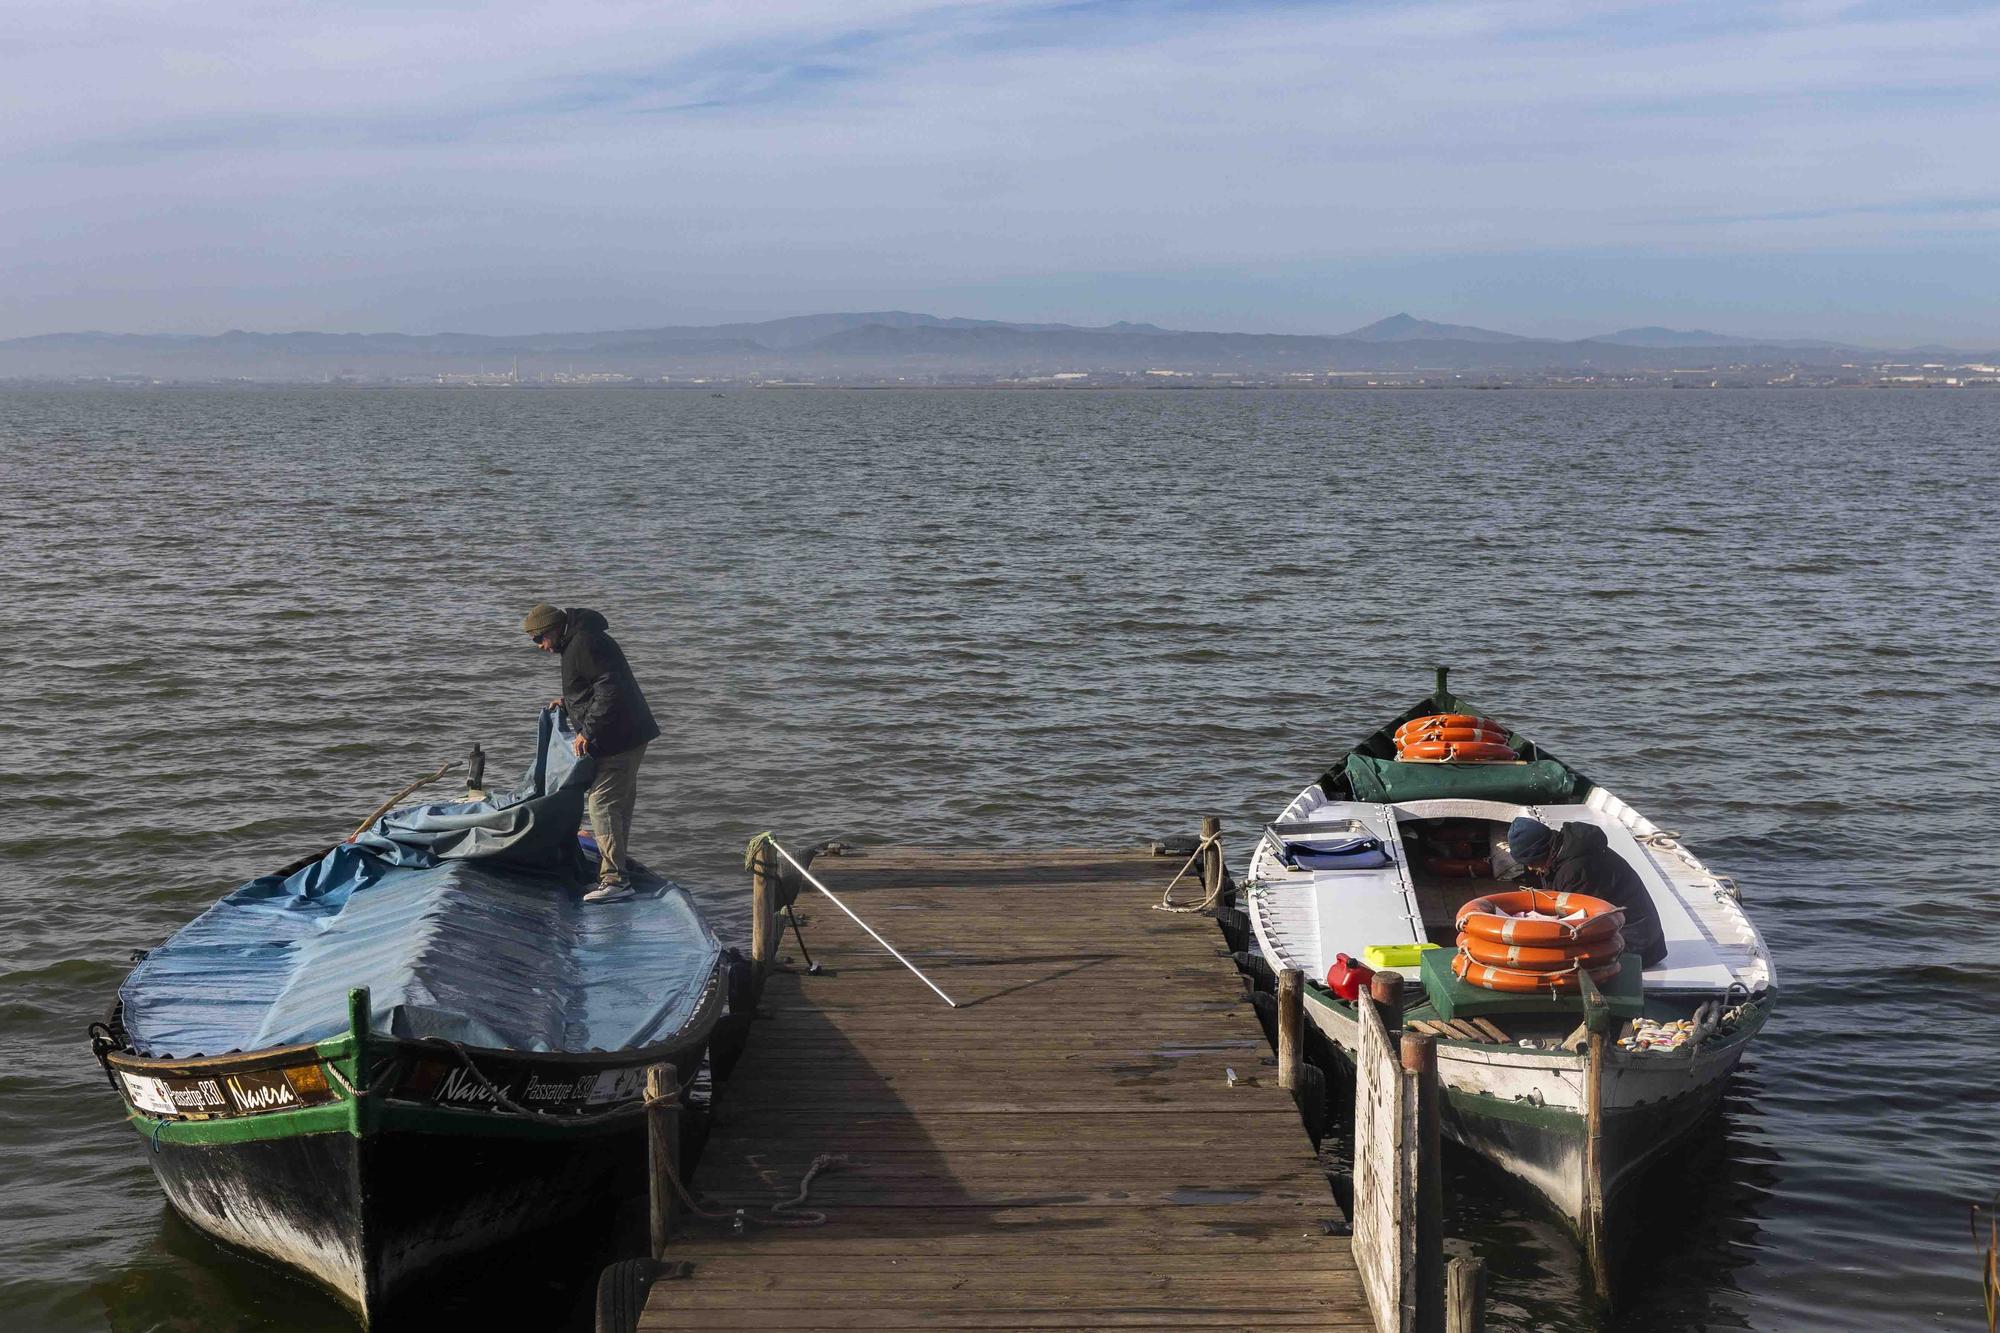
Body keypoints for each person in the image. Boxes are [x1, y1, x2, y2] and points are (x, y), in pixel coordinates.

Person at [521, 603, 661, 903]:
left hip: (618, 737)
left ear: (554, 629)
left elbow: (611, 689)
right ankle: (616, 872)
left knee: (602, 804)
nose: (540, 646)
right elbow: (595, 684)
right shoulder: (578, 639)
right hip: (630, 732)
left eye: (540, 639)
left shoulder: (584, 642)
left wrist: (588, 730)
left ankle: (615, 881)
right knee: (618, 805)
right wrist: (569, 702)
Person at [1505, 816, 1669, 967]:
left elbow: (1577, 924)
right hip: (1639, 934)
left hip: (1638, 945)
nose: (1530, 868)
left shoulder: (1576, 871)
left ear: (1540, 853)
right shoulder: (1567, 852)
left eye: (1531, 862)